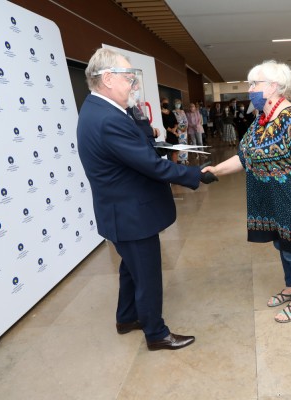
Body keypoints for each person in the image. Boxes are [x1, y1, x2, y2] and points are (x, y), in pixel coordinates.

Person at [76, 48, 217, 352]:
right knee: (148, 273)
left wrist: (136, 112)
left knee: (130, 268)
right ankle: (156, 334)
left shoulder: (101, 110)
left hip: (120, 211)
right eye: (129, 78)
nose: (133, 85)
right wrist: (196, 175)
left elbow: (140, 144)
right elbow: (150, 163)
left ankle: (127, 318)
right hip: (130, 214)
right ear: (108, 79)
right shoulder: (107, 119)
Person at [202, 60, 291, 323]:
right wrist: (216, 170)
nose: (249, 89)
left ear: (273, 87)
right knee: (281, 244)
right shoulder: (262, 119)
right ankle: (290, 287)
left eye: (254, 84)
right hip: (273, 199)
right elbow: (244, 156)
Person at [172, 99, 189, 164]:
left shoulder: (182, 111)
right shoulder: (172, 112)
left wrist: (185, 128)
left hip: (184, 130)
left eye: (179, 103)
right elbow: (173, 122)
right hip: (177, 129)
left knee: (184, 143)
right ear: (174, 104)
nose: (178, 104)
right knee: (179, 143)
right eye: (176, 103)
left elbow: (186, 121)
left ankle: (185, 158)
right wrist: (179, 127)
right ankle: (180, 159)